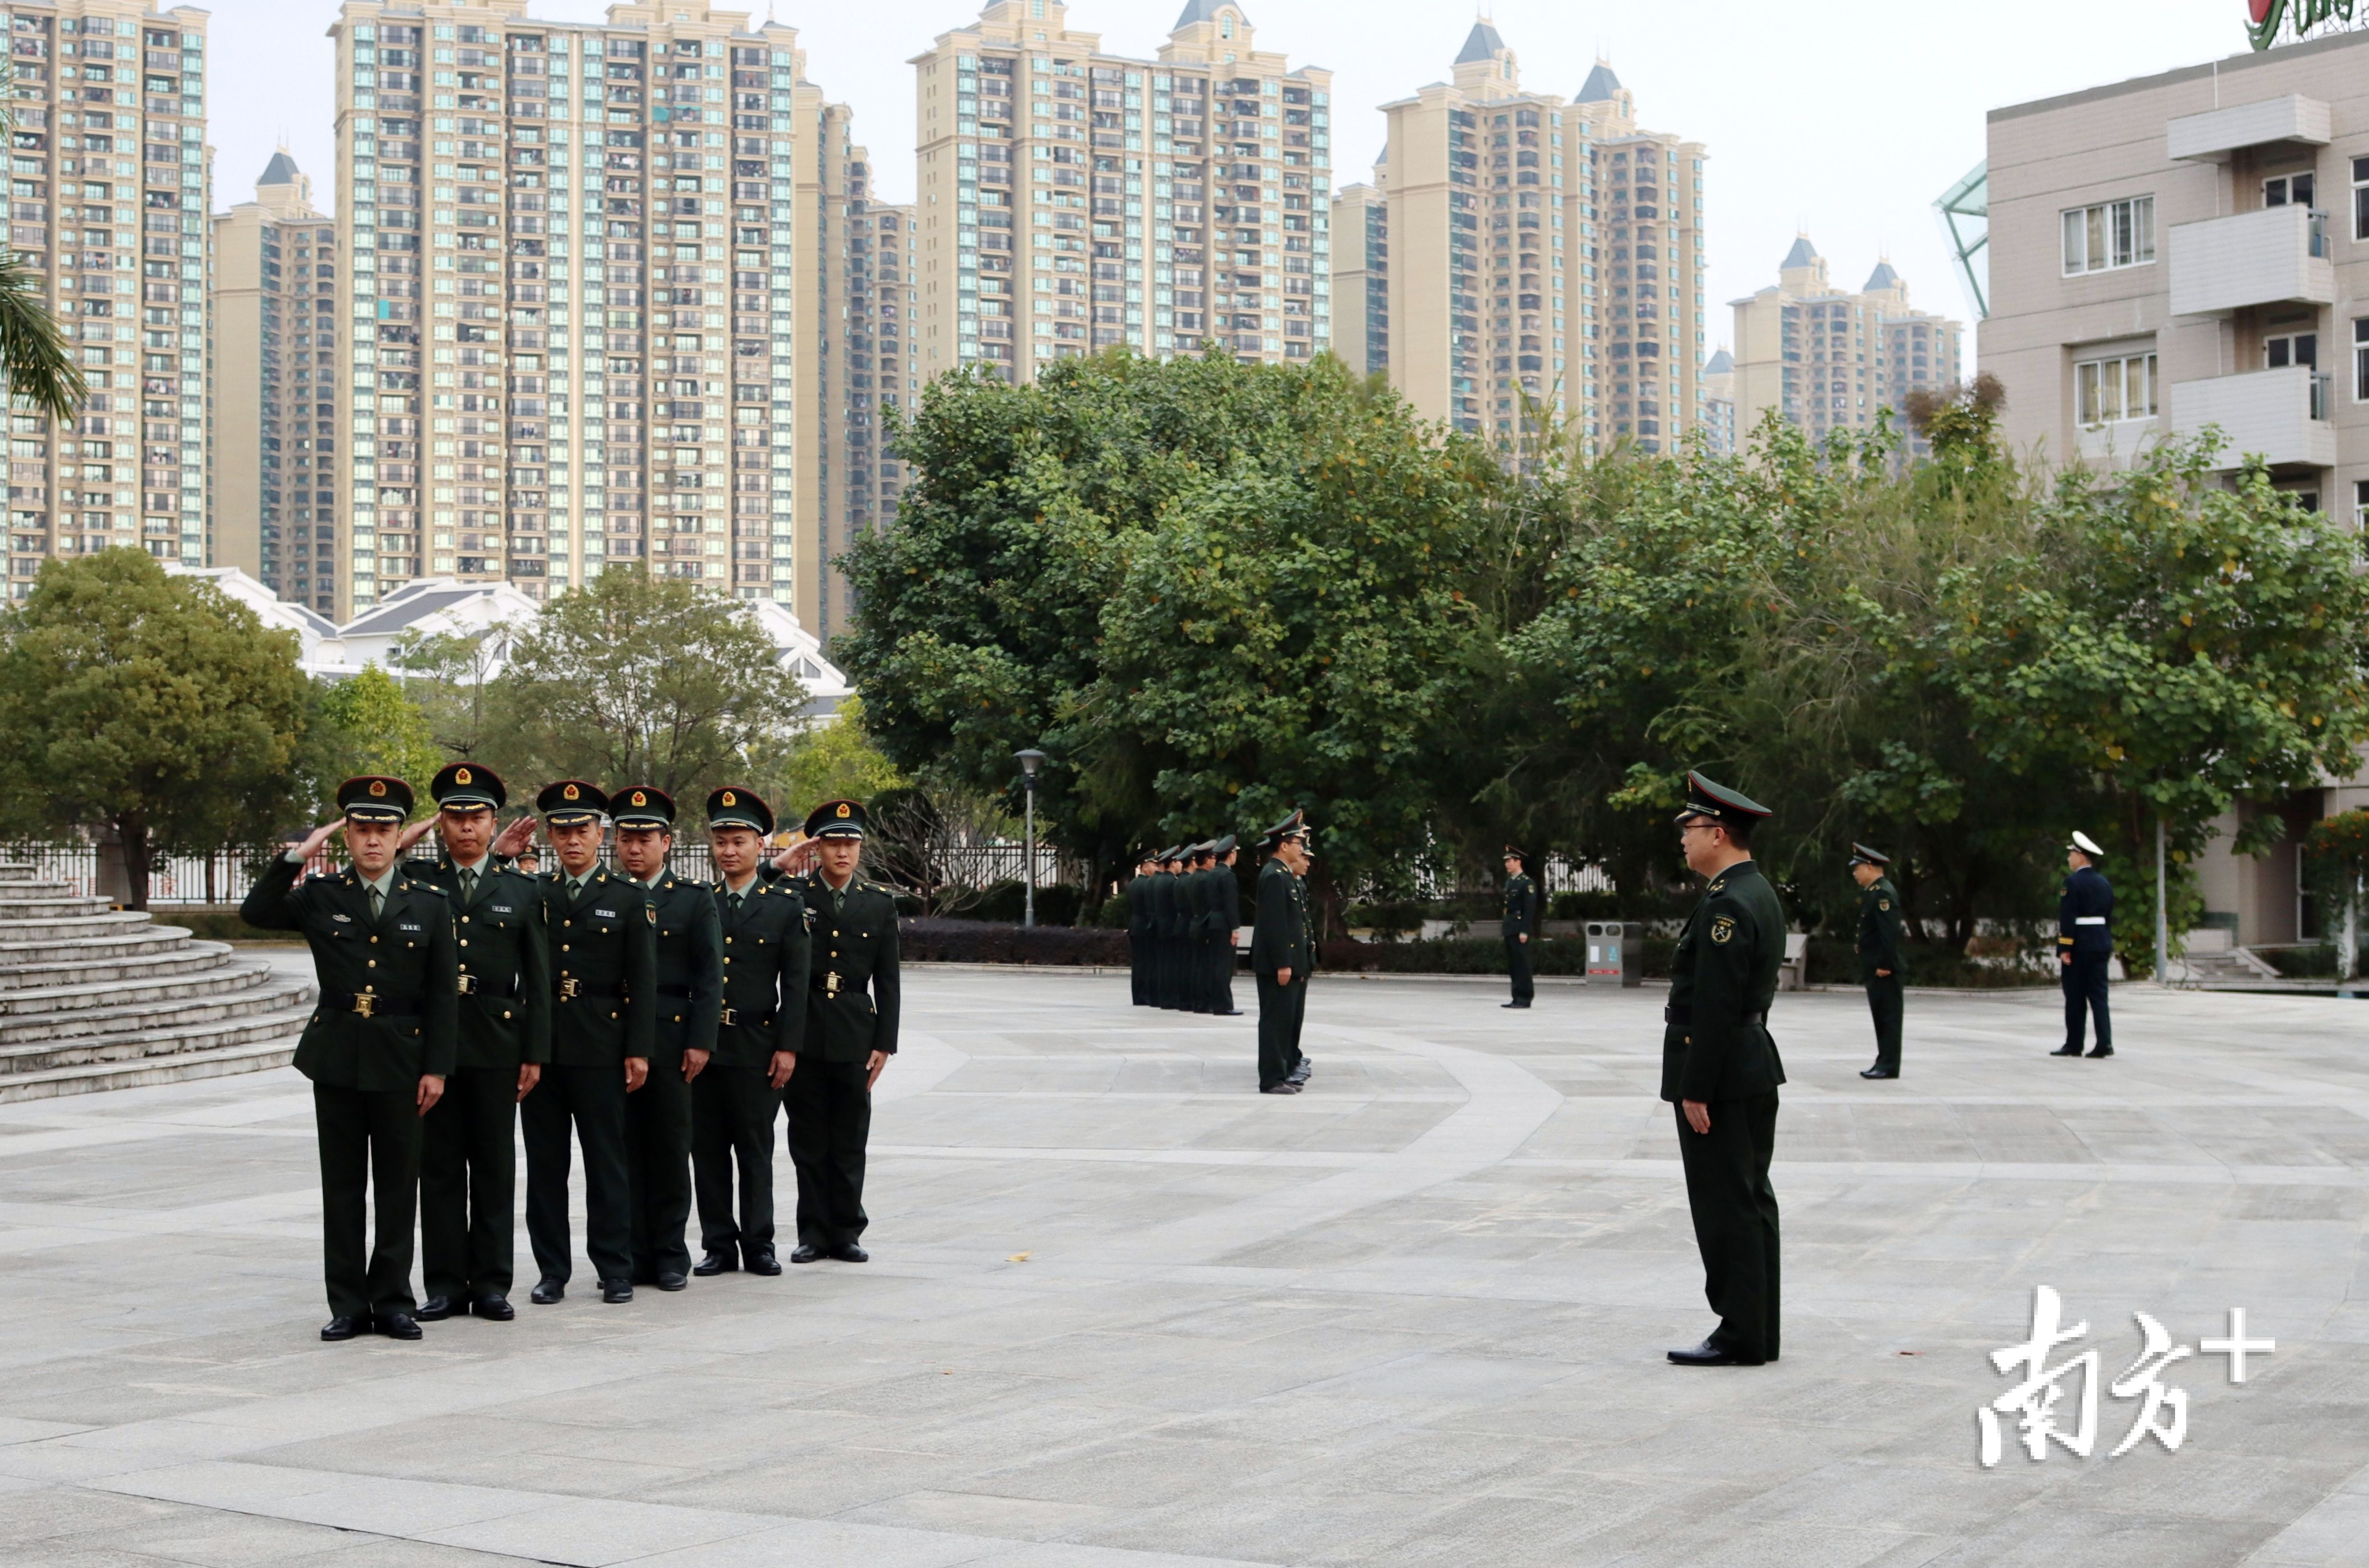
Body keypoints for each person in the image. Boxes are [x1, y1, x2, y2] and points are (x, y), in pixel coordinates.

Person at [241, 776, 457, 1342]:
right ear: (348, 836)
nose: (372, 841)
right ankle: (346, 1303)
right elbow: (257, 911)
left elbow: (441, 994)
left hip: (402, 1059)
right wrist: (296, 856)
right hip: (337, 1057)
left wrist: (436, 1067)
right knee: (341, 1188)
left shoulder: (430, 904)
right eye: (362, 830)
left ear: (397, 836)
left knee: (396, 1185)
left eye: (383, 830)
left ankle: (392, 1301)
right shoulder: (321, 895)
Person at [395, 763, 549, 1322]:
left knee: (492, 1165)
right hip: (431, 1045)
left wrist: (534, 1051)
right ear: (442, 824)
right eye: (455, 818)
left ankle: (489, 1283)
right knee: (436, 1168)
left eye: (476, 817)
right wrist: (415, 827)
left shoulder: (521, 888)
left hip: (496, 1041)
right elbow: (371, 859)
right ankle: (442, 1283)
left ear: (494, 822)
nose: (466, 828)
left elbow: (538, 978)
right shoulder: (417, 880)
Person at [1662, 771, 1786, 1368]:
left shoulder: (1729, 903)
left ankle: (1738, 1330)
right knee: (1750, 1198)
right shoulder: (1752, 889)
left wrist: (1694, 1088)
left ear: (1716, 831)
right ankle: (1756, 1328)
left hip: (1724, 1071)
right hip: (1748, 1062)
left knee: (1725, 1203)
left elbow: (1712, 1005)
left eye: (1687, 828)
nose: (1681, 839)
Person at [521, 780, 656, 1306]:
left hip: (603, 1045)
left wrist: (638, 1048)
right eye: (563, 830)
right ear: (551, 836)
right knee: (546, 1166)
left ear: (601, 834)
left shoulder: (627, 897)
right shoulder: (536, 894)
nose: (573, 839)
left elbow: (643, 980)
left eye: (582, 829)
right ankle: (551, 1270)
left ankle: (615, 1267)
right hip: (545, 1047)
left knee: (607, 1162)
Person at [692, 787, 809, 1277]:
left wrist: (788, 1047)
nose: (729, 850)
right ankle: (718, 1243)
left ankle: (759, 1242)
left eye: (739, 840)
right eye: (721, 841)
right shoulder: (697, 901)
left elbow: (796, 983)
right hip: (704, 1047)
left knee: (755, 1148)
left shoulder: (784, 906)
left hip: (758, 1044)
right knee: (708, 1149)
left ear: (760, 845)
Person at [610, 785, 720, 1291]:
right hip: (616, 1040)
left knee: (673, 1148)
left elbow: (708, 975)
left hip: (674, 1041)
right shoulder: (607, 896)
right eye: (626, 838)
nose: (635, 848)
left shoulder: (694, 899)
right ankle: (632, 1253)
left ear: (667, 841)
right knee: (624, 1149)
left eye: (644, 838)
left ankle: (671, 1252)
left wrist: (701, 1039)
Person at [785, 799, 901, 1263]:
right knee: (808, 1137)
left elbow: (888, 979)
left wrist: (884, 1043)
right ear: (818, 848)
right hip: (806, 1025)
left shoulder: (878, 903)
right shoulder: (794, 896)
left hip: (856, 1028)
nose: (843, 852)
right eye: (833, 843)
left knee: (850, 1137)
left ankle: (847, 1231)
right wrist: (782, 865)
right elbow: (749, 894)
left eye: (850, 843)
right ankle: (813, 1232)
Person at [1250, 812, 1314, 1094]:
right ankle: (1272, 1079)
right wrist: (1283, 964)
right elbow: (1275, 925)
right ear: (1284, 845)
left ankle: (1284, 1071)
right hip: (1279, 965)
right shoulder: (1274, 876)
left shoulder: (1284, 875)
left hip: (1290, 963)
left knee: (1286, 1020)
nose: (1302, 848)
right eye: (1298, 842)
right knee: (1275, 1022)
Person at [2052, 830, 2115, 1059]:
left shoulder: (2072, 882)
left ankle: (2074, 1044)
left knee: (2075, 996)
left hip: (2079, 947)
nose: (2069, 859)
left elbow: (2068, 918)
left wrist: (2065, 948)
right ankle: (2105, 1043)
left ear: (2081, 856)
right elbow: (2108, 917)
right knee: (2099, 996)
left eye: (2071, 854)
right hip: (2100, 945)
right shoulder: (2104, 883)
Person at [1850, 844, 1905, 1080]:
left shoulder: (1883, 893)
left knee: (1888, 1017)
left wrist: (1885, 964)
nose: (1855, 874)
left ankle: (1888, 1065)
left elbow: (1889, 933)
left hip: (1884, 969)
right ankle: (1883, 1061)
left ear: (1870, 867)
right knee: (1881, 1016)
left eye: (1857, 868)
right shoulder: (1875, 890)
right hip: (1876, 965)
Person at [1208, 836, 1243, 1016]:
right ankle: (1224, 1005)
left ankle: (1216, 1002)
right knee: (1225, 966)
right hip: (1224, 926)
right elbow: (1231, 905)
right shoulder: (1227, 876)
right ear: (1231, 855)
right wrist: (1235, 929)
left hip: (1213, 922)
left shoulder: (1212, 874)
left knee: (1216, 965)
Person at [1501, 846, 1539, 1010]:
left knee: (1522, 964)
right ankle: (1516, 997)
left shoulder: (1527, 883)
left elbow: (1529, 909)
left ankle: (1525, 997)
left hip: (1519, 927)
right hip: (1510, 926)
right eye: (1506, 862)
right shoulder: (1511, 882)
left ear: (1518, 862)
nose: (1507, 865)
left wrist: (1525, 930)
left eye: (1510, 861)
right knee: (1514, 964)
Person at [1183, 841, 1216, 1014]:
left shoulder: (1191, 878)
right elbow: (1211, 905)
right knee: (1205, 966)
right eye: (1213, 858)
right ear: (1208, 860)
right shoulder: (1207, 879)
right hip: (1205, 925)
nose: (1215, 862)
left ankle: (1197, 1001)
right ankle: (1204, 1002)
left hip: (1195, 923)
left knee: (1197, 965)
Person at [1125, 851, 1156, 1006]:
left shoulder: (1133, 884)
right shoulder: (1148, 884)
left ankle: (1138, 995)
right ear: (1144, 867)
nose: (1156, 869)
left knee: (1138, 964)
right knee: (1146, 963)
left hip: (1135, 925)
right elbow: (1150, 909)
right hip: (1145, 927)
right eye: (1153, 865)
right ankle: (1145, 995)